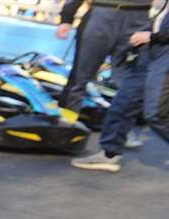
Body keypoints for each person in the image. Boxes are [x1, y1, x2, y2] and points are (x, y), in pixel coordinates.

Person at [73, 7, 168, 170]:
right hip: (151, 52)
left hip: (164, 53)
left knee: (155, 113)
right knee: (123, 103)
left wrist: (152, 36)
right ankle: (109, 153)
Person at [56, 0, 154, 112]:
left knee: (131, 82)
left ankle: (119, 127)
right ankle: (67, 123)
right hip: (102, 13)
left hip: (140, 17)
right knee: (80, 76)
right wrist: (66, 18)